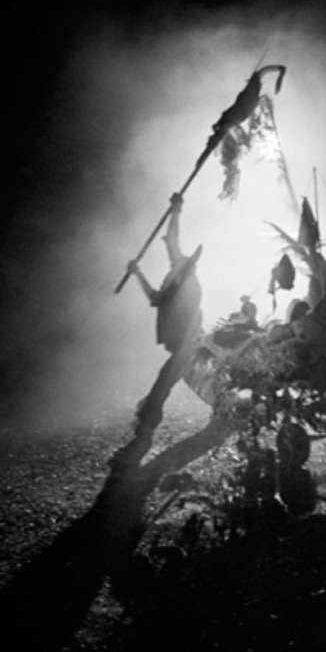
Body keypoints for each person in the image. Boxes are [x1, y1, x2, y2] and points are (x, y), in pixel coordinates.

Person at [116, 193, 206, 467]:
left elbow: (155, 298)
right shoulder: (179, 272)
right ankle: (146, 423)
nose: (173, 257)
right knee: (175, 383)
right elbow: (173, 240)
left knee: (163, 386)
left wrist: (137, 274)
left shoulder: (187, 287)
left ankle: (144, 432)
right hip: (184, 347)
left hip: (187, 347)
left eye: (179, 260)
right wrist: (176, 210)